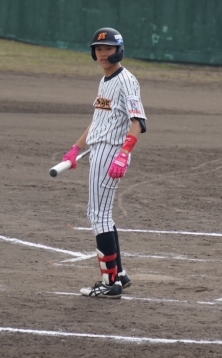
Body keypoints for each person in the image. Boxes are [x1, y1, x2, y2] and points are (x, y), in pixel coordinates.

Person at [61, 27, 147, 299]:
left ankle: (110, 283)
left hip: (111, 152)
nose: (102, 53)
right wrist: (76, 148)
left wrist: (124, 153)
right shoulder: (105, 80)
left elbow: (138, 122)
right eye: (98, 49)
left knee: (98, 215)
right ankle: (118, 274)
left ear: (118, 50)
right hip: (100, 150)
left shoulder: (126, 81)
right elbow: (98, 121)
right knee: (102, 214)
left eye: (108, 49)